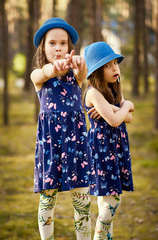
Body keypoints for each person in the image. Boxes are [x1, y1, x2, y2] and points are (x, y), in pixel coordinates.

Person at [30, 17, 91, 240]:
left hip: (76, 141)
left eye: (63, 43)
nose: (58, 48)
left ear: (69, 48)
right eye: (52, 43)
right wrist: (52, 69)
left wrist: (80, 66)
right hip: (50, 144)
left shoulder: (75, 76)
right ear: (43, 48)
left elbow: (82, 75)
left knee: (82, 199)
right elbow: (42, 73)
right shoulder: (39, 76)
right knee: (47, 199)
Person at [83, 41, 134, 240]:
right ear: (96, 71)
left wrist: (120, 107)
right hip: (102, 150)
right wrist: (124, 107)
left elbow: (129, 117)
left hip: (115, 148)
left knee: (106, 201)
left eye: (115, 63)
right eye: (107, 65)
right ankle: (98, 237)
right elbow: (115, 121)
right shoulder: (93, 93)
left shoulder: (113, 91)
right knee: (113, 202)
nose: (114, 68)